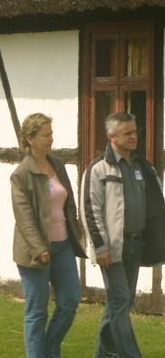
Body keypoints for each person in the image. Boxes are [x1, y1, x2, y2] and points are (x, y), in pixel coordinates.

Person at [81, 112, 165, 358]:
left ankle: (103, 354)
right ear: (112, 137)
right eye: (127, 133)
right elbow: (89, 209)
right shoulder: (98, 169)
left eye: (135, 132)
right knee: (119, 301)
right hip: (112, 249)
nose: (133, 137)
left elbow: (157, 205)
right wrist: (100, 247)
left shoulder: (144, 166)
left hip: (136, 245)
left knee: (123, 303)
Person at [10, 113, 86, 358]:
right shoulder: (21, 174)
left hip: (63, 246)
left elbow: (69, 203)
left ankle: (49, 349)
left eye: (51, 134)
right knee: (36, 312)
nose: (51, 139)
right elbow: (24, 218)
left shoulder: (58, 164)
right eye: (46, 135)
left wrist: (77, 232)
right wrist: (38, 248)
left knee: (70, 302)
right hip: (35, 253)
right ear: (30, 138)